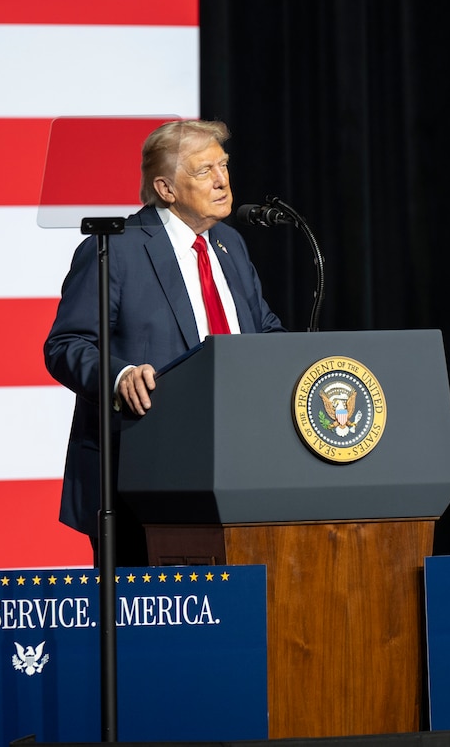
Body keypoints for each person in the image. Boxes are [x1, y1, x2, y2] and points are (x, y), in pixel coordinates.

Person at [44, 119, 285, 566]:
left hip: (240, 467)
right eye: (204, 170)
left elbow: (263, 329)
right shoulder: (116, 248)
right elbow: (67, 344)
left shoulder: (229, 244)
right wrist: (119, 376)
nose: (221, 180)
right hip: (143, 475)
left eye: (224, 165)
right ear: (166, 188)